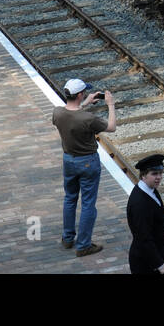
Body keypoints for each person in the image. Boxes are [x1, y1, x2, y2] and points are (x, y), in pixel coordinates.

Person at [52, 78, 116, 257]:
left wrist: (85, 103)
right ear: (80, 94)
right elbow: (111, 127)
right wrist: (110, 105)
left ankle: (67, 238)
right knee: (88, 204)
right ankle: (83, 245)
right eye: (84, 93)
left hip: (68, 160)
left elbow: (72, 115)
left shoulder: (57, 113)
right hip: (88, 162)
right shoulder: (89, 119)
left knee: (70, 198)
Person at [127, 153, 164, 275]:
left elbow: (158, 224)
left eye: (160, 173)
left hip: (152, 255)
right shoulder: (140, 203)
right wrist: (158, 264)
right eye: (154, 174)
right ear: (143, 176)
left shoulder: (151, 190)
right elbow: (143, 237)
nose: (159, 177)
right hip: (145, 262)